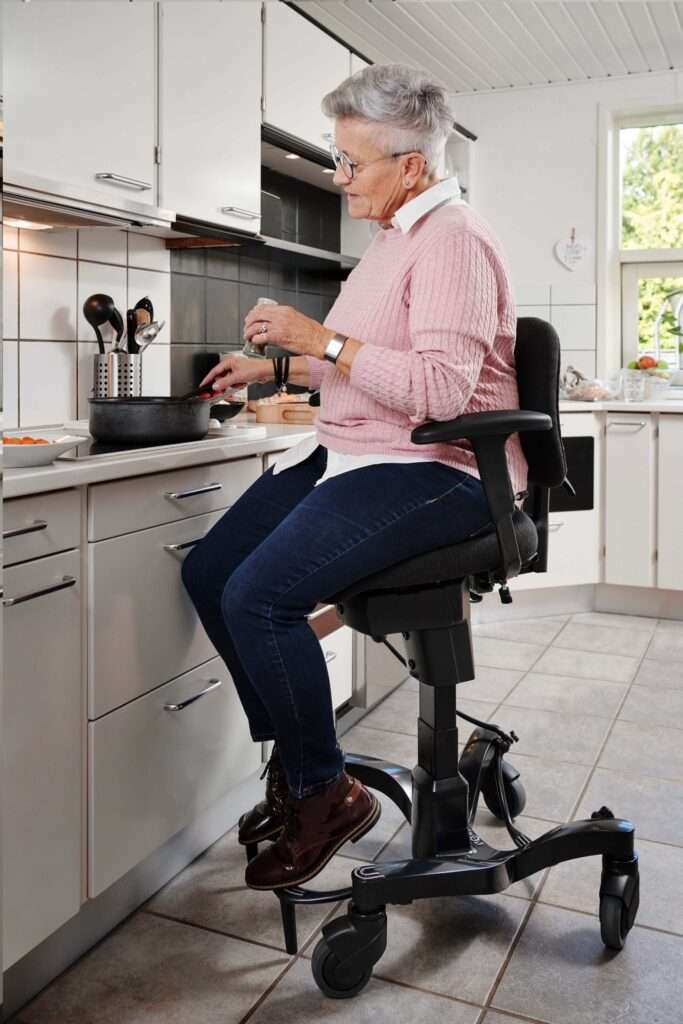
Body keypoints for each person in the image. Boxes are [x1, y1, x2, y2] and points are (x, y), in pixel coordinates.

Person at [182, 63, 527, 891]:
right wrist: (270, 371)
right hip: (355, 451)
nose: (339, 181)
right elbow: (367, 370)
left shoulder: (454, 240)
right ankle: (302, 771)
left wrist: (319, 338)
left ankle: (322, 793)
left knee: (259, 599)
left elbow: (440, 392)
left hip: (436, 468)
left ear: (410, 165)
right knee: (210, 573)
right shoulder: (391, 242)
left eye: (350, 163)